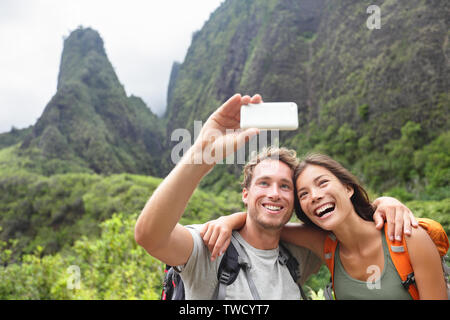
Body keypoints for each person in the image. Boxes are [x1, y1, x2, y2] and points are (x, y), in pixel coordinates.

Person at [135, 93, 416, 300]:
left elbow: (352, 229)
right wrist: (201, 156)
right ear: (245, 194)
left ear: (295, 201)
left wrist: (383, 203)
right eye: (264, 183)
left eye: (285, 186)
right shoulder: (212, 246)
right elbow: (150, 236)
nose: (274, 193)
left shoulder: (302, 252)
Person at [202, 153, 447, 299]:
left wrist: (386, 201)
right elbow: (265, 222)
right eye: (304, 194)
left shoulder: (407, 237)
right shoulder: (327, 246)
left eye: (322, 183)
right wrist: (228, 220)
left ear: (348, 188)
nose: (315, 196)